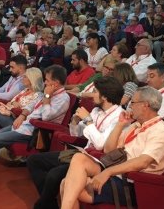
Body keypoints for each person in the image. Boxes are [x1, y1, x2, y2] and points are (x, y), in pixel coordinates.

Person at [59, 86, 164, 209]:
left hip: (134, 183)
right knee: (78, 159)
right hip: (117, 172)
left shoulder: (162, 131)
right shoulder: (135, 125)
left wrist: (108, 172)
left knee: (68, 185)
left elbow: (143, 162)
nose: (130, 106)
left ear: (145, 105)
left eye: (133, 103)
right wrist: (120, 125)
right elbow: (108, 150)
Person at [26, 76, 125, 209]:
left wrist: (89, 120)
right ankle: (49, 203)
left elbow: (101, 144)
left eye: (95, 91)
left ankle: (43, 204)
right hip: (82, 152)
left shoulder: (119, 116)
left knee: (54, 175)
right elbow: (76, 134)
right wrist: (74, 122)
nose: (91, 95)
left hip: (98, 161)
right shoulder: (96, 110)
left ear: (105, 97)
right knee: (34, 160)